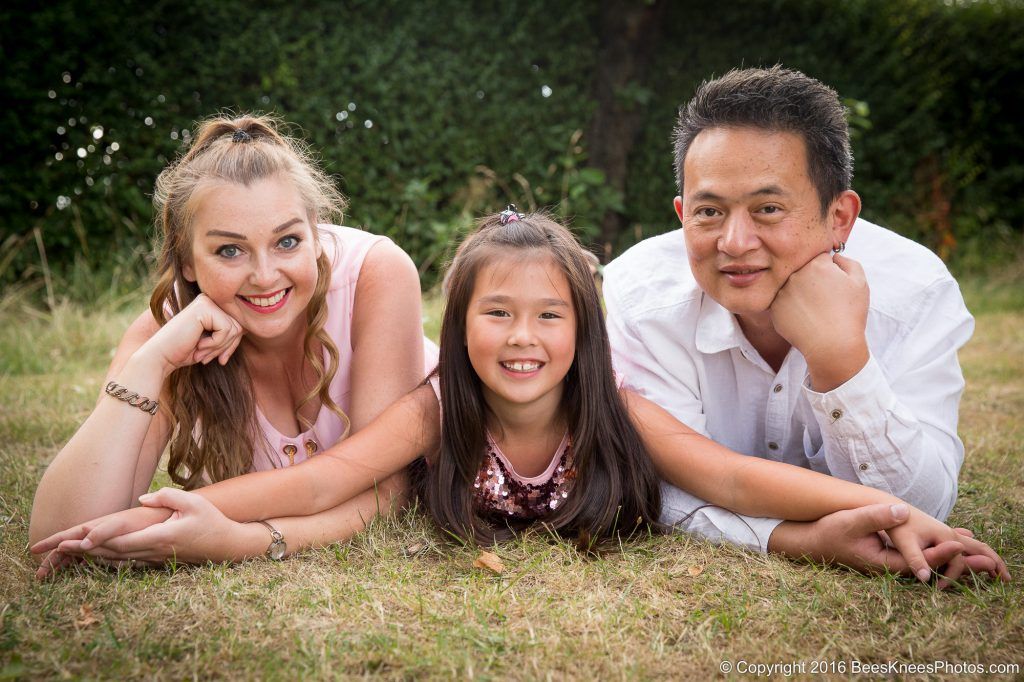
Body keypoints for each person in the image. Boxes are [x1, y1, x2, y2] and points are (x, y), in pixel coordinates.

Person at [33, 210, 1007, 586]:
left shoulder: (613, 409)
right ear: (458, 328)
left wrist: (892, 507)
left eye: (548, 316)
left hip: (733, 510)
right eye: (495, 313)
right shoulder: (435, 409)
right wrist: (191, 510)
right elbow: (327, 479)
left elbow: (726, 477)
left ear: (584, 331)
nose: (522, 338)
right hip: (275, 509)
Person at [603, 66, 981, 579]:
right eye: (709, 211)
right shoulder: (643, 298)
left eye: (768, 208)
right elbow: (654, 480)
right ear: (681, 214)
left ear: (839, 218)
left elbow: (924, 507)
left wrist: (840, 361)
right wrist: (797, 540)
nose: (734, 242)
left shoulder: (915, 295)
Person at [28, 114, 435, 562]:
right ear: (185, 259)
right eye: (229, 250)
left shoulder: (375, 275)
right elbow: (60, 533)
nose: (264, 276)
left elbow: (385, 486)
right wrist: (153, 362)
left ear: (315, 231)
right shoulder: (167, 332)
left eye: (287, 241)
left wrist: (240, 539)